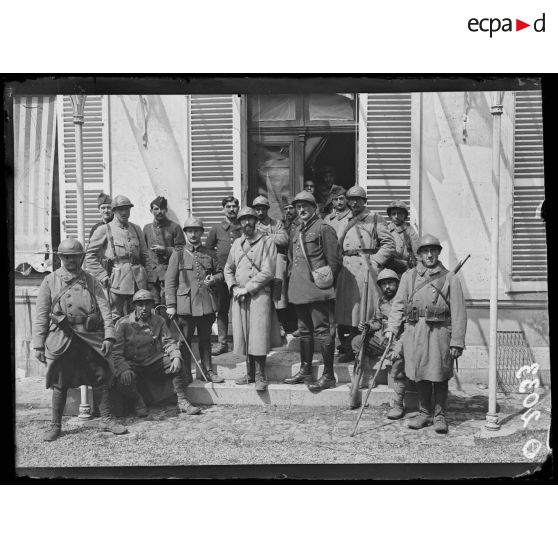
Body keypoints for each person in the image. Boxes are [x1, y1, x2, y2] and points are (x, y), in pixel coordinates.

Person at [33, 238, 128, 441]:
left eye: (75, 257)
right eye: (67, 257)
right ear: (61, 258)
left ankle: (106, 420)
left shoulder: (91, 281)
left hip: (89, 337)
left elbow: (105, 309)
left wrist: (109, 335)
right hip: (62, 337)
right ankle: (55, 425)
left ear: (82, 258)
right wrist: (39, 344)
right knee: (60, 382)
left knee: (101, 376)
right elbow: (41, 314)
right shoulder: (50, 281)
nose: (71, 261)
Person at [385, 234, 467, 434]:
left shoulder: (450, 278)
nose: (429, 255)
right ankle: (424, 413)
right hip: (415, 332)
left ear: (438, 252)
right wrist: (392, 328)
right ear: (419, 254)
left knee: (439, 374)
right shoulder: (409, 276)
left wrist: (457, 341)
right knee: (420, 373)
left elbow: (459, 312)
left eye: (433, 251)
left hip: (439, 332)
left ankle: (439, 415)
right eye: (425, 251)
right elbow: (398, 305)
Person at [283, 191, 342, 392]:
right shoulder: (297, 229)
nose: (301, 210)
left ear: (314, 207)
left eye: (305, 206)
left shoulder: (324, 228)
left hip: (318, 290)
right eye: (298, 207)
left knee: (322, 331)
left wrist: (324, 283)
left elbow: (334, 262)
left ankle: (328, 376)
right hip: (299, 288)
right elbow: (292, 259)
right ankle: (305, 370)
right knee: (305, 331)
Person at [112, 289, 201, 416]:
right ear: (134, 306)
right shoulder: (123, 324)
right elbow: (116, 352)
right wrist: (123, 368)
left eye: (148, 304)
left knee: (177, 363)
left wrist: (175, 356)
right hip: (132, 364)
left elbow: (168, 342)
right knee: (123, 377)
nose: (144, 308)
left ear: (152, 305)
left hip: (152, 361)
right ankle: (138, 401)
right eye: (140, 304)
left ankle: (182, 400)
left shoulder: (159, 321)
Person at [335, 185, 396, 362]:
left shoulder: (375, 218)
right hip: (347, 269)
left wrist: (375, 261)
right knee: (347, 313)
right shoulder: (345, 220)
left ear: (364, 201)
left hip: (365, 269)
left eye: (358, 199)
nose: (354, 203)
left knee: (362, 313)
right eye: (351, 199)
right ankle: (348, 348)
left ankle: (361, 349)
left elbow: (389, 244)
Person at [224, 207, 281, 391]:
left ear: (256, 221)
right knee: (244, 335)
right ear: (239, 223)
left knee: (258, 335)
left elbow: (268, 271)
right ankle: (249, 372)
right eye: (243, 220)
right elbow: (228, 268)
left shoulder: (266, 242)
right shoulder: (237, 244)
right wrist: (233, 286)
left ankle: (260, 374)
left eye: (250, 219)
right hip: (239, 296)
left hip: (259, 294)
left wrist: (247, 289)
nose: (246, 223)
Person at [165, 216, 224, 383]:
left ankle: (207, 372)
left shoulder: (210, 254)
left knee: (206, 340)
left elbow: (221, 273)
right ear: (185, 233)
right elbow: (170, 280)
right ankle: (185, 373)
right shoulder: (178, 254)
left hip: (206, 304)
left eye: (196, 231)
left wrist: (214, 279)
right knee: (184, 340)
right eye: (189, 231)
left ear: (201, 233)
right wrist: (171, 304)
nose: (193, 234)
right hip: (185, 305)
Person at [85, 194, 151, 322]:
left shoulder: (136, 229)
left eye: (127, 209)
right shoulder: (104, 229)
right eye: (121, 209)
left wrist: (149, 277)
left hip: (139, 280)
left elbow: (145, 255)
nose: (124, 212)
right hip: (117, 281)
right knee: (115, 316)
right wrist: (102, 275)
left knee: (138, 316)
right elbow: (89, 256)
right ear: (114, 211)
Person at [350, 269, 407, 417]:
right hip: (381, 341)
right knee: (357, 342)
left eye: (390, 283)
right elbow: (377, 321)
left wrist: (398, 346)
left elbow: (407, 328)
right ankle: (367, 378)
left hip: (398, 343)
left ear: (397, 284)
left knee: (400, 359)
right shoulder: (381, 301)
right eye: (384, 284)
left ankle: (398, 403)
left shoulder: (405, 301)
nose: (387, 287)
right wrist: (368, 326)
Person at [205, 196, 242, 355]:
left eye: (234, 206)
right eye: (228, 206)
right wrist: (218, 263)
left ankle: (242, 344)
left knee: (241, 309)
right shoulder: (216, 229)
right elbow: (207, 250)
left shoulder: (243, 227)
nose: (232, 209)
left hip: (241, 275)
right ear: (223, 209)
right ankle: (222, 343)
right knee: (222, 309)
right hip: (222, 276)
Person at [253, 195, 289, 335]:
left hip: (275, 261)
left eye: (263, 209)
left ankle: (279, 325)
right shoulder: (252, 224)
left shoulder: (276, 223)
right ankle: (262, 325)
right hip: (259, 261)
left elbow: (284, 239)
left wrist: (266, 235)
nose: (260, 212)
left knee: (277, 293)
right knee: (261, 293)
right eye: (257, 209)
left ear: (267, 209)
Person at [324, 185, 352, 352]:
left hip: (348, 266)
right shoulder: (328, 219)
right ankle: (336, 342)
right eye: (336, 199)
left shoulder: (352, 217)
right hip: (332, 266)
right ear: (332, 201)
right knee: (333, 306)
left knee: (348, 305)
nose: (339, 202)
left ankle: (348, 344)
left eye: (342, 198)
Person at [142, 195, 185, 305]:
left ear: (166, 210)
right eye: (156, 209)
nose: (159, 211)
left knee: (169, 304)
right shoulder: (146, 228)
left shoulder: (174, 227)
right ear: (151, 210)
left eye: (162, 208)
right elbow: (143, 251)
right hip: (151, 276)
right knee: (152, 305)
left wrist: (166, 250)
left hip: (169, 274)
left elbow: (182, 250)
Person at [384, 200, 419, 275]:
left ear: (405, 215)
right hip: (387, 269)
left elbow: (418, 254)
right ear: (390, 216)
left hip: (406, 269)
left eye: (399, 213)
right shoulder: (385, 231)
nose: (396, 216)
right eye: (393, 214)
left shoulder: (410, 231)